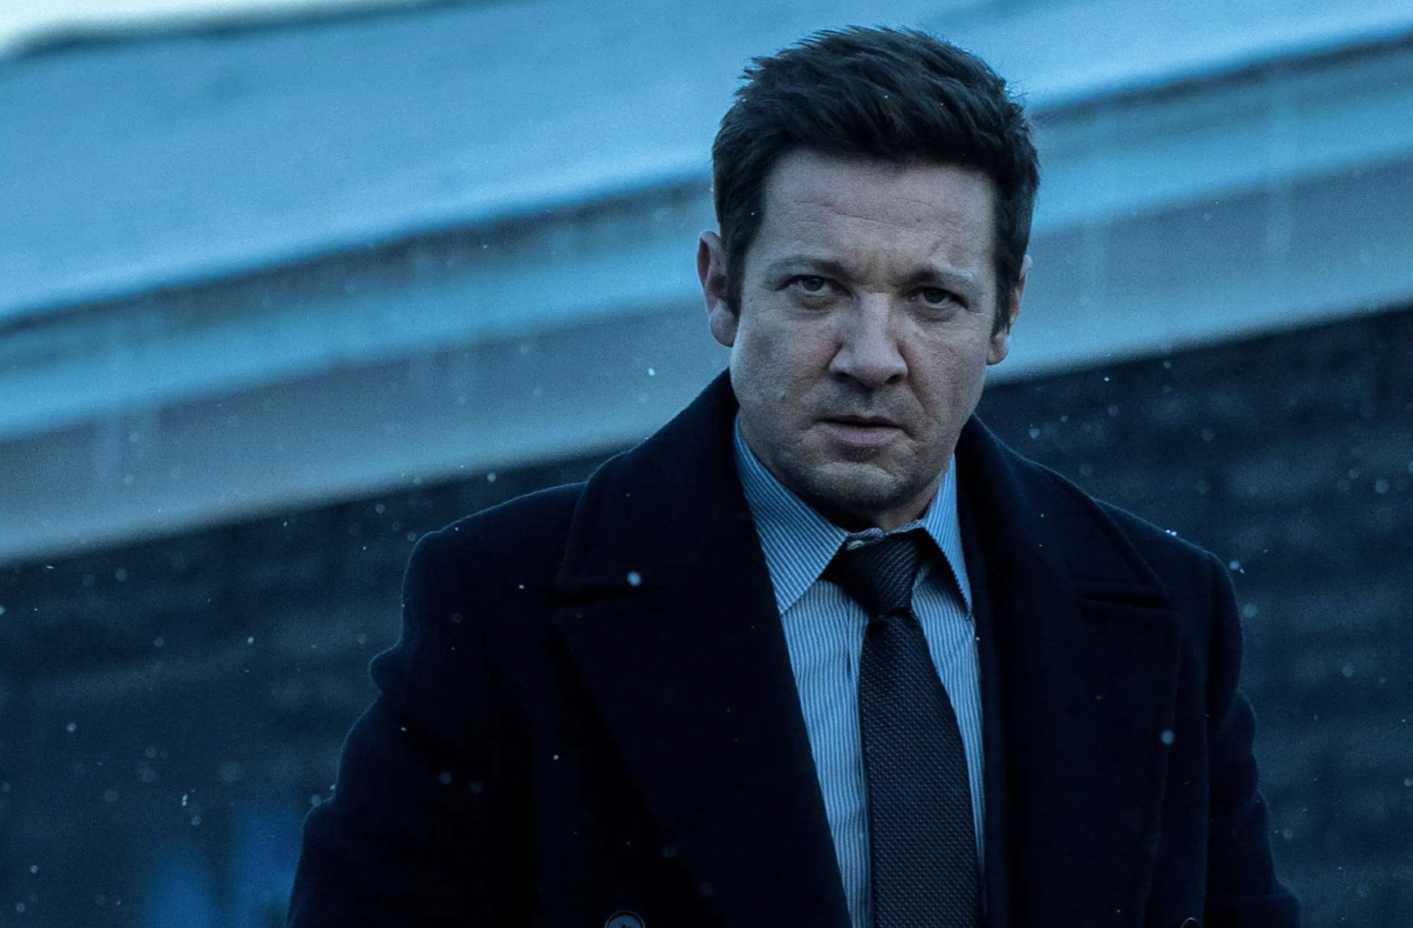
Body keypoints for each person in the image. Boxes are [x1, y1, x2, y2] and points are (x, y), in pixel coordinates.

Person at [287, 26, 1300, 928]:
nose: (872, 356)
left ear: (1006, 314)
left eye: (933, 299)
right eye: (817, 287)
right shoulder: (505, 608)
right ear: (721, 287)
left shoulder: (1163, 614)